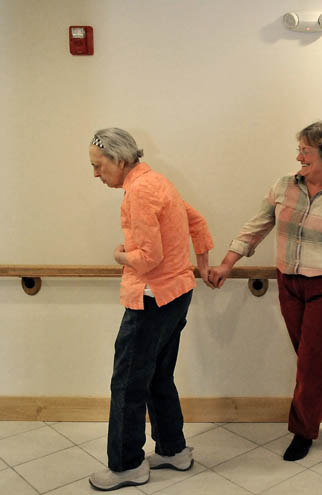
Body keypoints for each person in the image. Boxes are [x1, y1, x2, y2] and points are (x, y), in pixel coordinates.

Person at [208, 121, 322, 461]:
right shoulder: (284, 186)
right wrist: (227, 263)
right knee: (316, 359)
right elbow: (256, 226)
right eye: (298, 149)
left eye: (305, 150)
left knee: (313, 363)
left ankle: (303, 431)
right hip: (289, 284)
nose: (298, 156)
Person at [87, 128, 213, 491]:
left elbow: (147, 258)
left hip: (151, 298)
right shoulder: (159, 182)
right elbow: (198, 222)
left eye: (99, 166)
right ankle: (173, 450)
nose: (96, 174)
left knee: (127, 383)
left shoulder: (139, 192)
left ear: (120, 160)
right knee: (158, 375)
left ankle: (127, 465)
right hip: (177, 293)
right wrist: (201, 265)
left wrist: (118, 256)